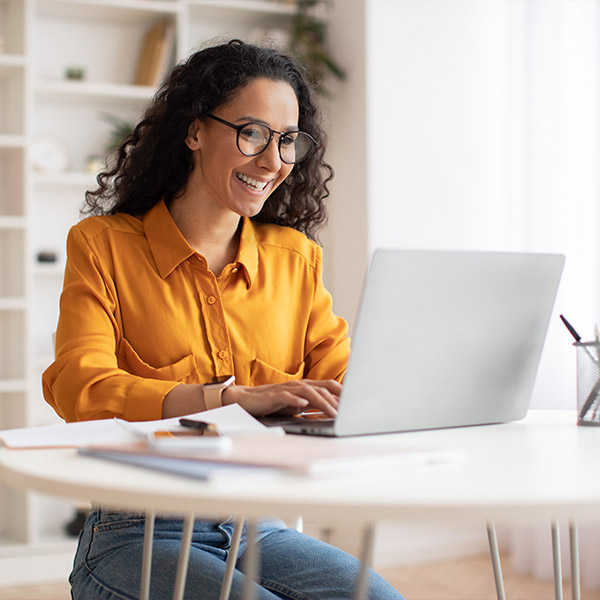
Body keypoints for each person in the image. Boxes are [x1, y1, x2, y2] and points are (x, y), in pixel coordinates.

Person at [42, 39, 404, 600]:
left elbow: (344, 383)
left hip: (257, 526)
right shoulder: (103, 246)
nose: (272, 161)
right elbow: (79, 388)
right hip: (135, 533)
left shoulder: (294, 259)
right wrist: (224, 401)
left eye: (287, 141)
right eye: (253, 132)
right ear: (194, 131)